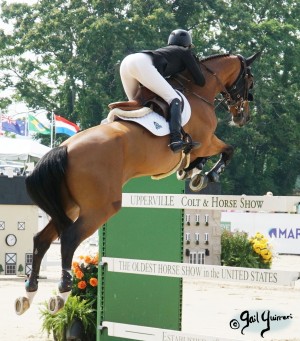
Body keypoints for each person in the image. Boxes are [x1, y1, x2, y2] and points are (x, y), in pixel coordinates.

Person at [120, 29, 205, 153]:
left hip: (127, 62)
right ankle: (176, 140)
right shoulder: (185, 52)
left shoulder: (167, 51)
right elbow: (201, 81)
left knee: (136, 105)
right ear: (187, 44)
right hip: (142, 64)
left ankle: (111, 123)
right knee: (174, 99)